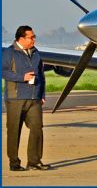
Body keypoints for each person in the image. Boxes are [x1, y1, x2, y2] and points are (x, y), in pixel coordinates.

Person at [2, 26, 51, 171]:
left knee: (37, 128)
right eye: (31, 37)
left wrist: (41, 95)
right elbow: (2, 71)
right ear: (21, 38)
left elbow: (41, 75)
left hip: (34, 99)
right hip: (15, 99)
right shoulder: (8, 53)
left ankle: (34, 161)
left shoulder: (36, 53)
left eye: (34, 36)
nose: (34, 39)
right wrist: (21, 77)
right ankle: (14, 163)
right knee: (14, 131)